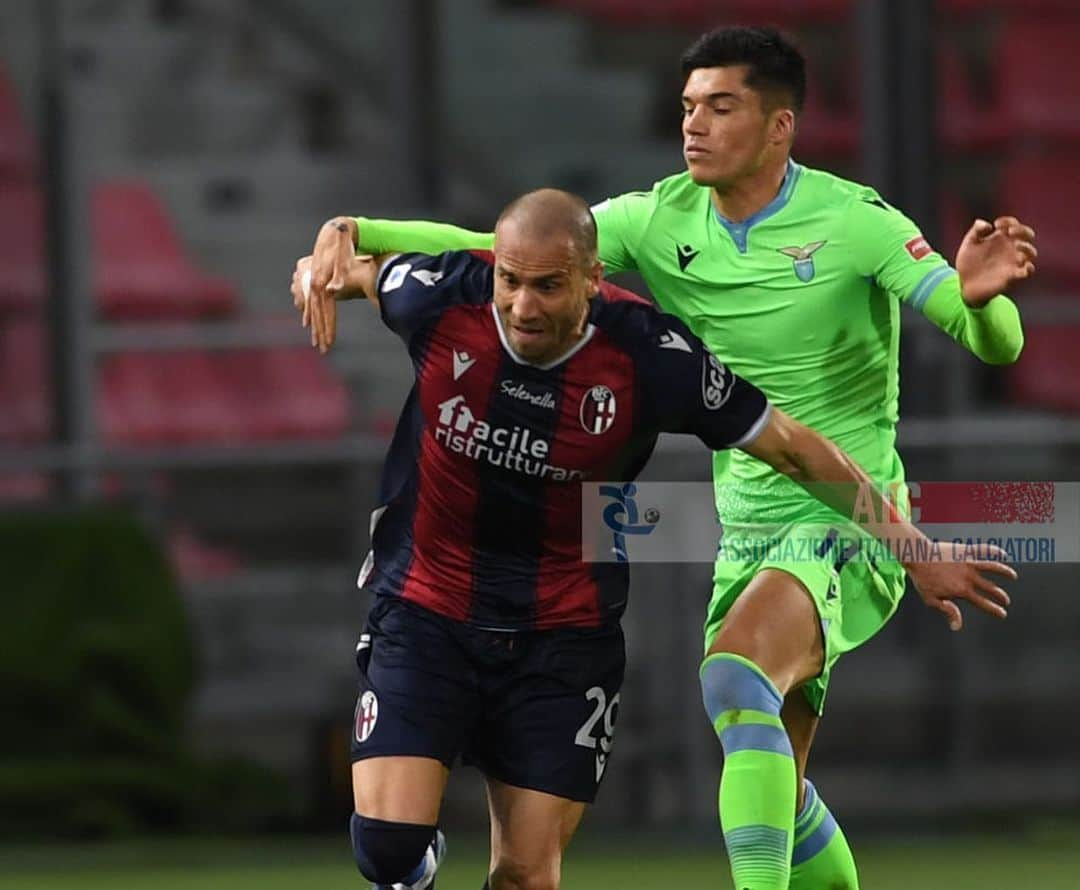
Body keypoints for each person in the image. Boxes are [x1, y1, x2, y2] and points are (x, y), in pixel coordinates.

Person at [296, 27, 1037, 890]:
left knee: (734, 675)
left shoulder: (854, 220)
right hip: (746, 524)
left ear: (779, 128)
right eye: (688, 106)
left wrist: (983, 307)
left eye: (721, 107)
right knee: (776, 780)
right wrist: (354, 229)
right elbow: (500, 247)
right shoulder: (657, 219)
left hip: (846, 511)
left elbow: (992, 341)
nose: (695, 125)